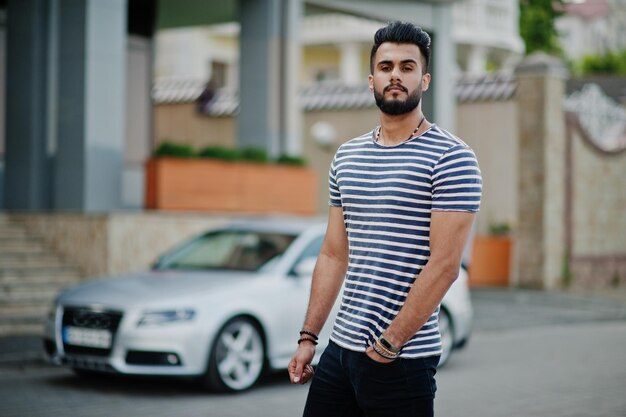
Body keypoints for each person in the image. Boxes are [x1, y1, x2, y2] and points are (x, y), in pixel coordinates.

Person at [288, 21, 482, 417]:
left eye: (407, 67)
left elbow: (444, 266)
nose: (396, 74)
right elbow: (332, 254)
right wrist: (309, 337)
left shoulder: (452, 158)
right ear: (371, 78)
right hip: (340, 351)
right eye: (387, 66)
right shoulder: (346, 156)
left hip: (401, 360)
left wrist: (389, 345)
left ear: (424, 80)